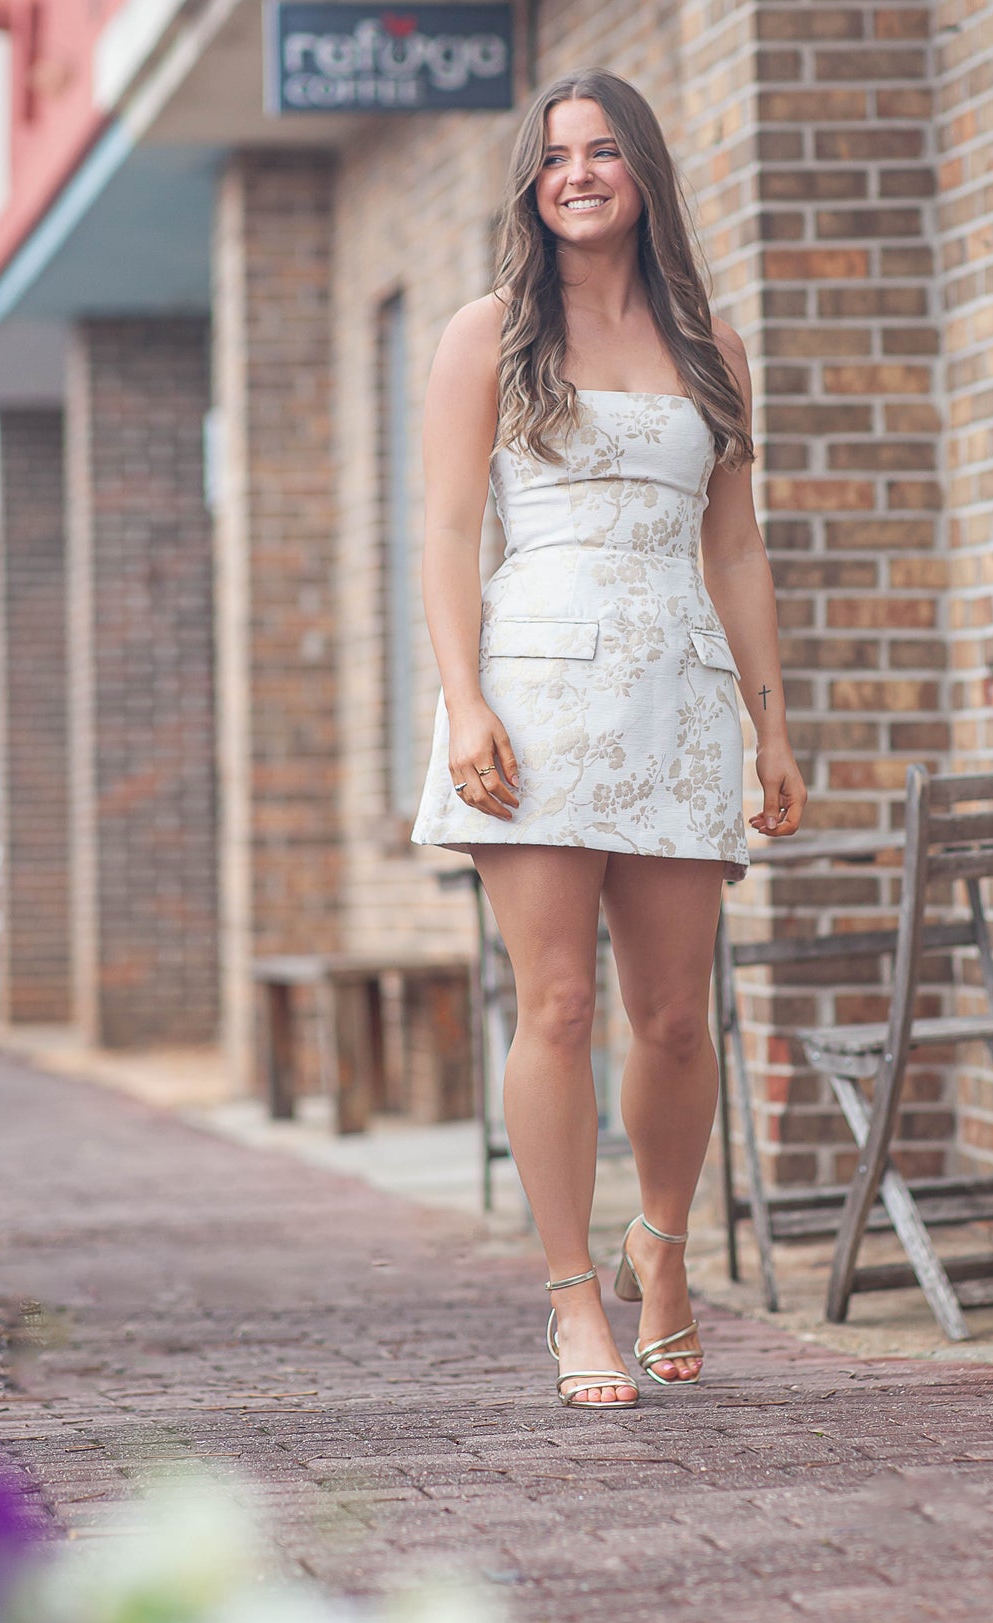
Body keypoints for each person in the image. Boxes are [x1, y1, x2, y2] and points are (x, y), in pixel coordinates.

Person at [412, 68, 806, 1408]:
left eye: (601, 152)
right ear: (531, 184)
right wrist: (462, 700)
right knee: (560, 1004)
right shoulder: (485, 334)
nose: (576, 173)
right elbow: (447, 532)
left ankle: (666, 1240)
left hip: (677, 696)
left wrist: (772, 726)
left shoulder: (711, 345)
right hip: (530, 698)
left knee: (674, 1017)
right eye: (553, 157)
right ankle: (574, 1293)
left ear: (642, 171)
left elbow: (737, 546)